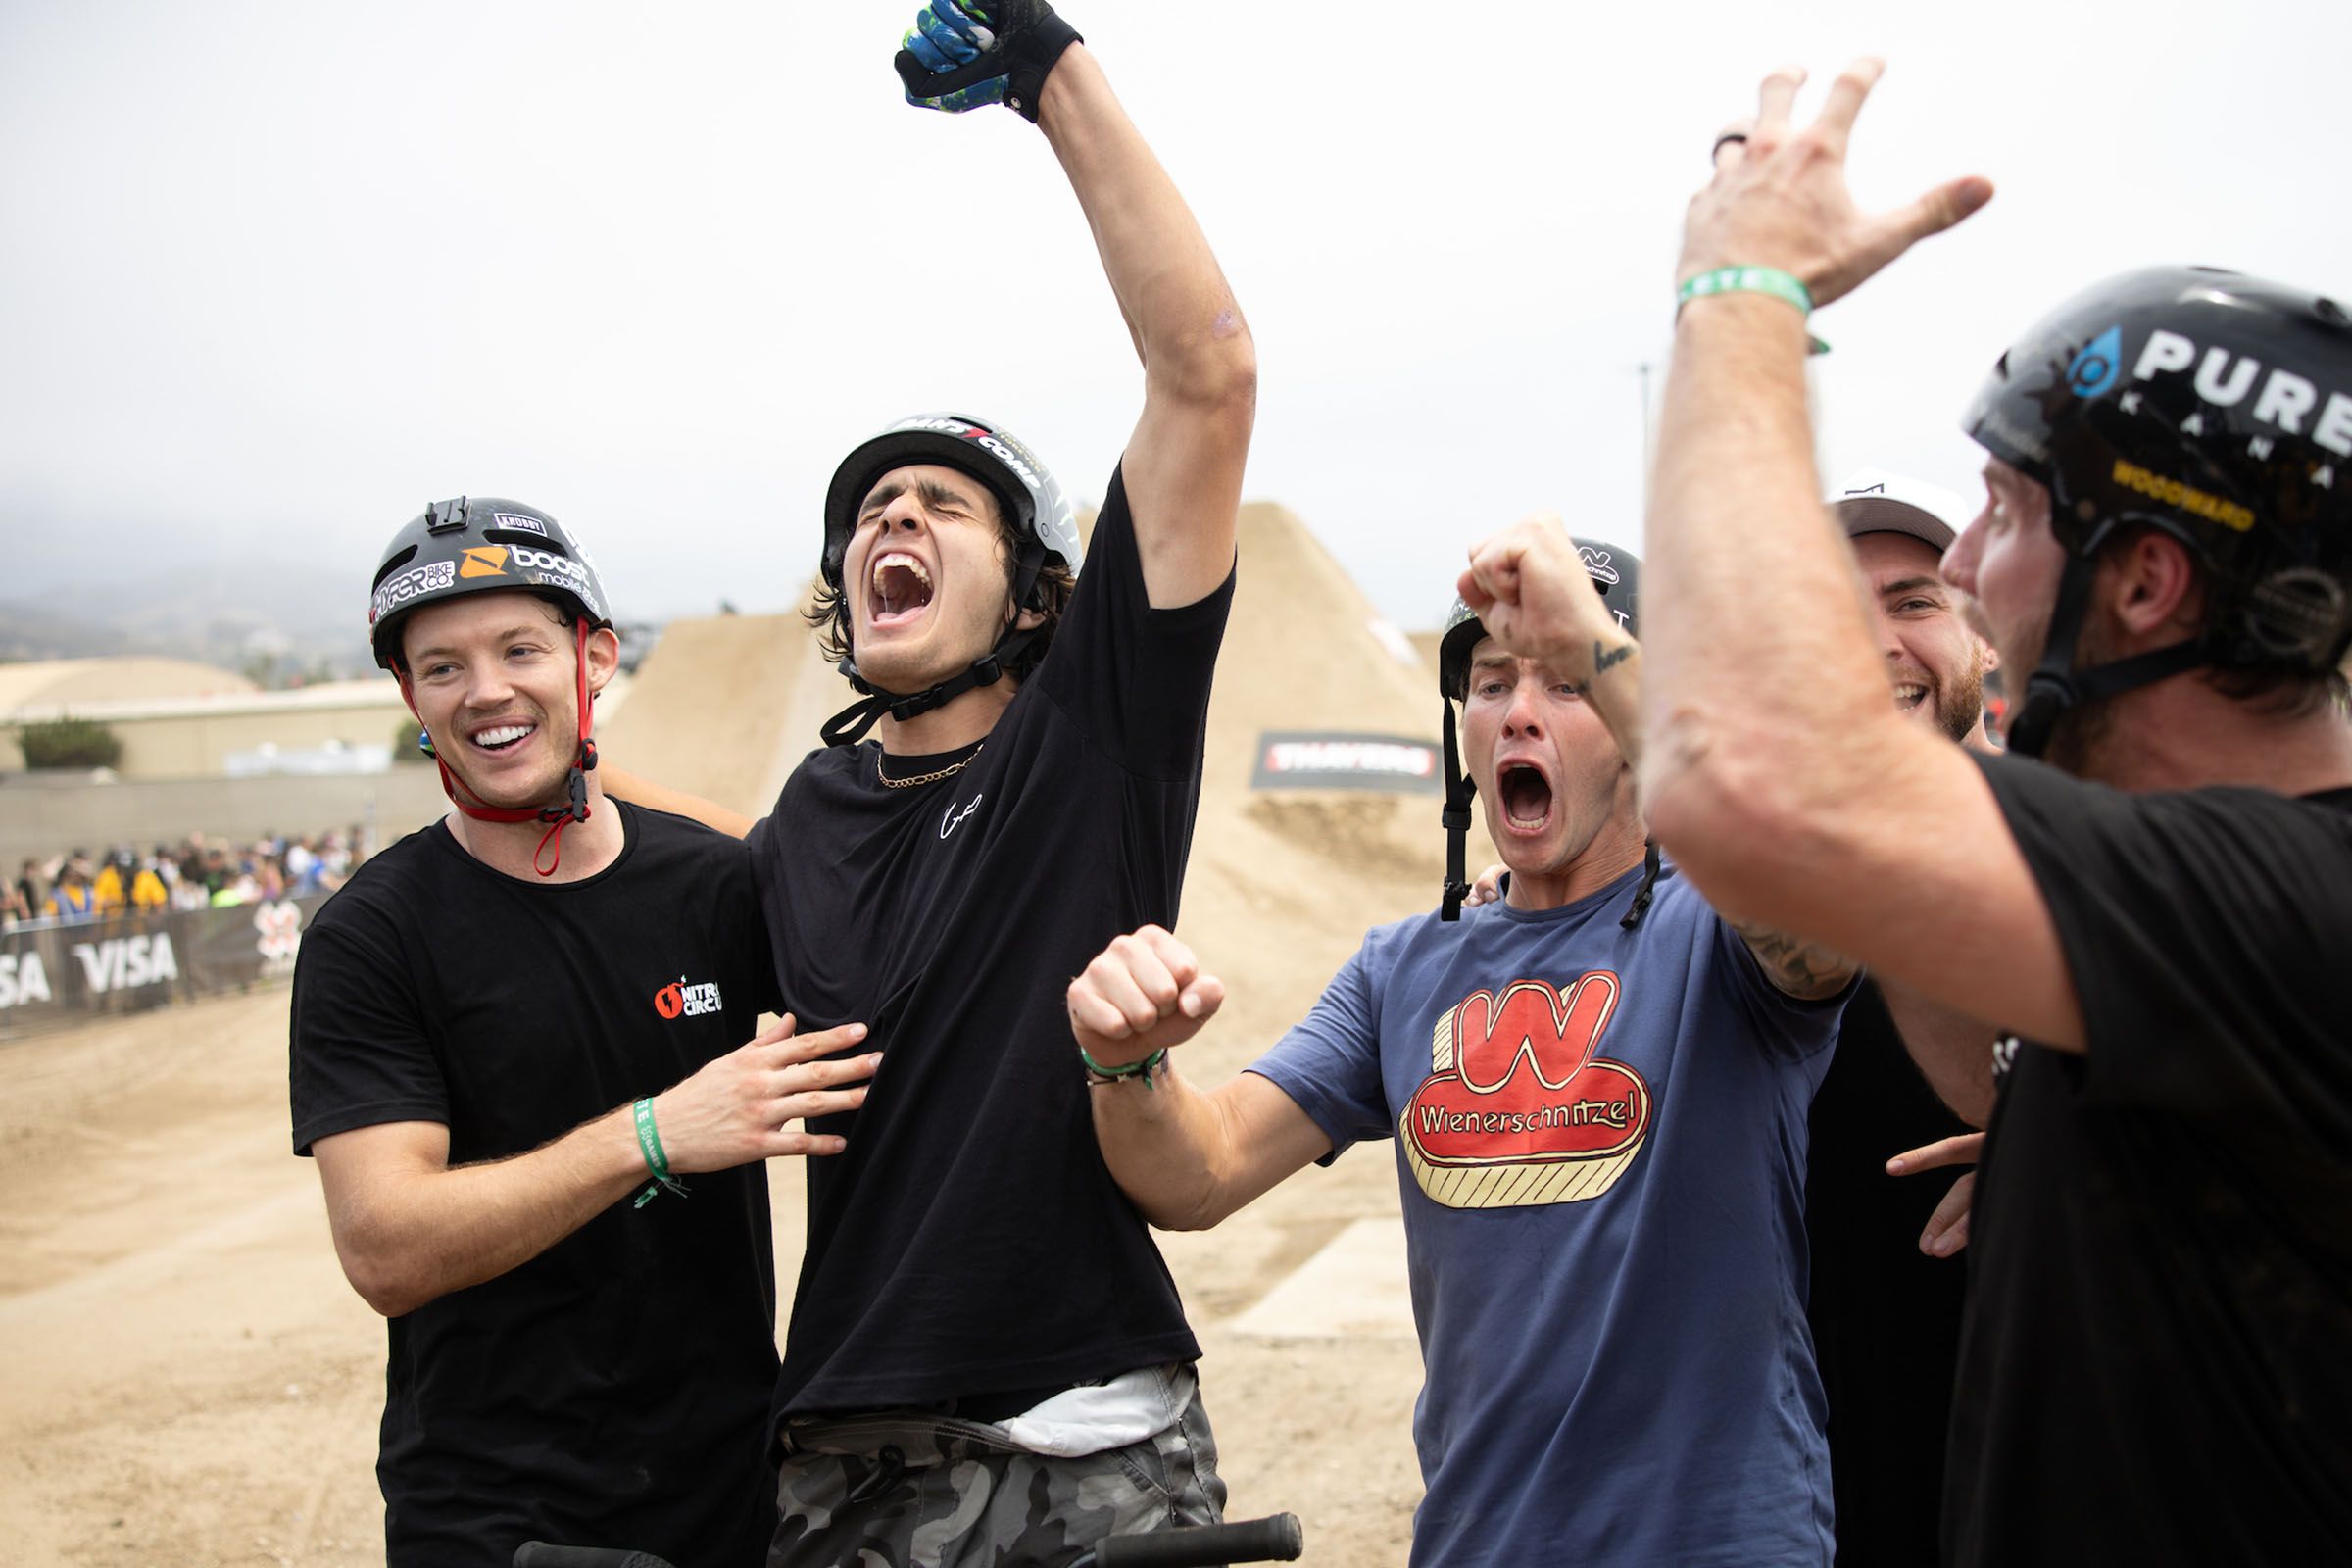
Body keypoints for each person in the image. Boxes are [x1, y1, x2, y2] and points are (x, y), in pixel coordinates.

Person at [1474, 60, 2352, 1563]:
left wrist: (1740, 291)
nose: (1969, 571)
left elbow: (1758, 789)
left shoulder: (2278, 904)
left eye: (2006, 512)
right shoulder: (2209, 929)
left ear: (2146, 583)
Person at [605, 6, 1253, 1561]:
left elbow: (1209, 375)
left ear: (1033, 596)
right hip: (845, 1453)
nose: (895, 517)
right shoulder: (804, 825)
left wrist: (1046, 68)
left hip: (1088, 1431)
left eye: (945, 505)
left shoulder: (1091, 737)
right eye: (874, 506)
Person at [1067, 540, 1858, 1567]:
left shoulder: (1724, 935)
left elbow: (1817, 934)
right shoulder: (1403, 968)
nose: (1519, 713)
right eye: (1491, 684)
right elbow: (1200, 1173)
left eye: (1566, 682)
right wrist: (1126, 1064)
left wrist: (1610, 652)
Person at [287, 497, 880, 1568]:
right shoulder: (372, 935)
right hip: (495, 1522)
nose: (486, 690)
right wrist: (654, 1134)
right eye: (443, 666)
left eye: (521, 649)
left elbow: (884, 945)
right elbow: (384, 1248)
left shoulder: (714, 885)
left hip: (736, 1499)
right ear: (411, 696)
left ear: (594, 657)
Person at [1803, 469, 1992, 1567]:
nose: (1877, 642)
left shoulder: (2099, 859)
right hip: (1803, 1472)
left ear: (1984, 638)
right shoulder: (1727, 879)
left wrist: (2070, 1140)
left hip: (2026, 1453)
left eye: (1915, 602)